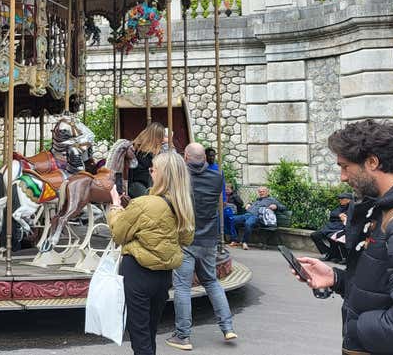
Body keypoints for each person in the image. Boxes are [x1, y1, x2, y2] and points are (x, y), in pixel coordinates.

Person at [294, 120, 393, 355]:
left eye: (345, 167)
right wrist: (337, 279)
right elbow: (383, 287)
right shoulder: (384, 208)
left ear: (372, 162)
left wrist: (358, 329)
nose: (342, 177)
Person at [107, 151, 195, 355]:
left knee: (139, 337)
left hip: (138, 272)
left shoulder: (144, 203)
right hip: (163, 276)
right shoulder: (183, 204)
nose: (150, 172)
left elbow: (118, 234)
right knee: (149, 331)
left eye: (153, 169)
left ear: (162, 174)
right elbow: (186, 239)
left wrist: (115, 206)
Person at [167, 143, 237, 351]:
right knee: (212, 282)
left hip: (186, 238)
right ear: (205, 159)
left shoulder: (181, 178)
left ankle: (183, 336)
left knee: (182, 287)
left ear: (186, 157)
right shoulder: (217, 177)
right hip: (209, 238)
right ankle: (227, 327)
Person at [228, 186, 286, 250]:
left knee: (248, 224)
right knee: (232, 219)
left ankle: (244, 242)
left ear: (267, 192)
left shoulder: (271, 200)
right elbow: (252, 203)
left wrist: (276, 206)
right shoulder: (257, 199)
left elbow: (283, 207)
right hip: (247, 215)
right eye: (260, 192)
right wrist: (249, 204)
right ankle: (235, 240)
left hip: (256, 217)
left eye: (263, 191)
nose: (261, 193)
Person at [127, 122, 166, 198]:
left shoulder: (135, 148)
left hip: (136, 186)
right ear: (156, 137)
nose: (163, 140)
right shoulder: (144, 153)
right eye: (162, 137)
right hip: (138, 187)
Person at [310, 192, 352, 262]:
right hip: (330, 227)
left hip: (340, 228)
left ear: (349, 200)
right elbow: (332, 214)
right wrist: (339, 215)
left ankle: (334, 255)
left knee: (333, 238)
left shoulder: (352, 207)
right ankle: (329, 252)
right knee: (314, 235)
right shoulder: (339, 207)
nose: (340, 200)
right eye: (339, 198)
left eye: (342, 198)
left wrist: (344, 216)